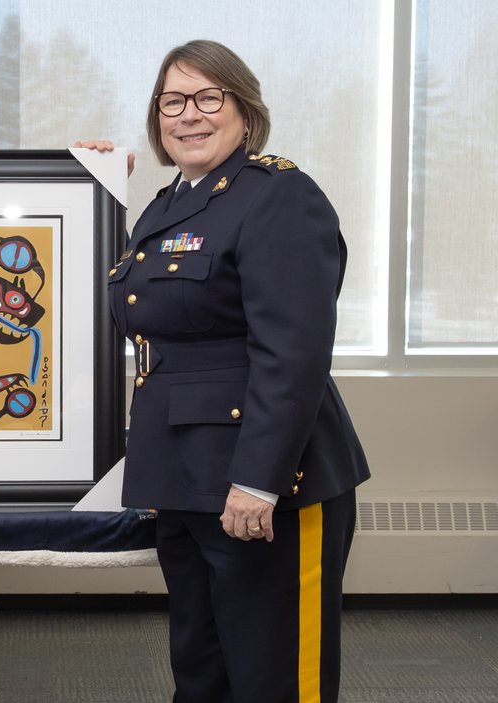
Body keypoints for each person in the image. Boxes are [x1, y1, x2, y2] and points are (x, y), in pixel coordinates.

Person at [77, 39, 370, 703]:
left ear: (245, 111)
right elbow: (157, 342)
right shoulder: (162, 209)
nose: (190, 115)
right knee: (201, 669)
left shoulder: (278, 196)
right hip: (183, 478)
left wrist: (259, 481)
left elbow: (292, 353)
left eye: (209, 98)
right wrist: (85, 183)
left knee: (274, 679)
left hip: (263, 481)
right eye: (173, 100)